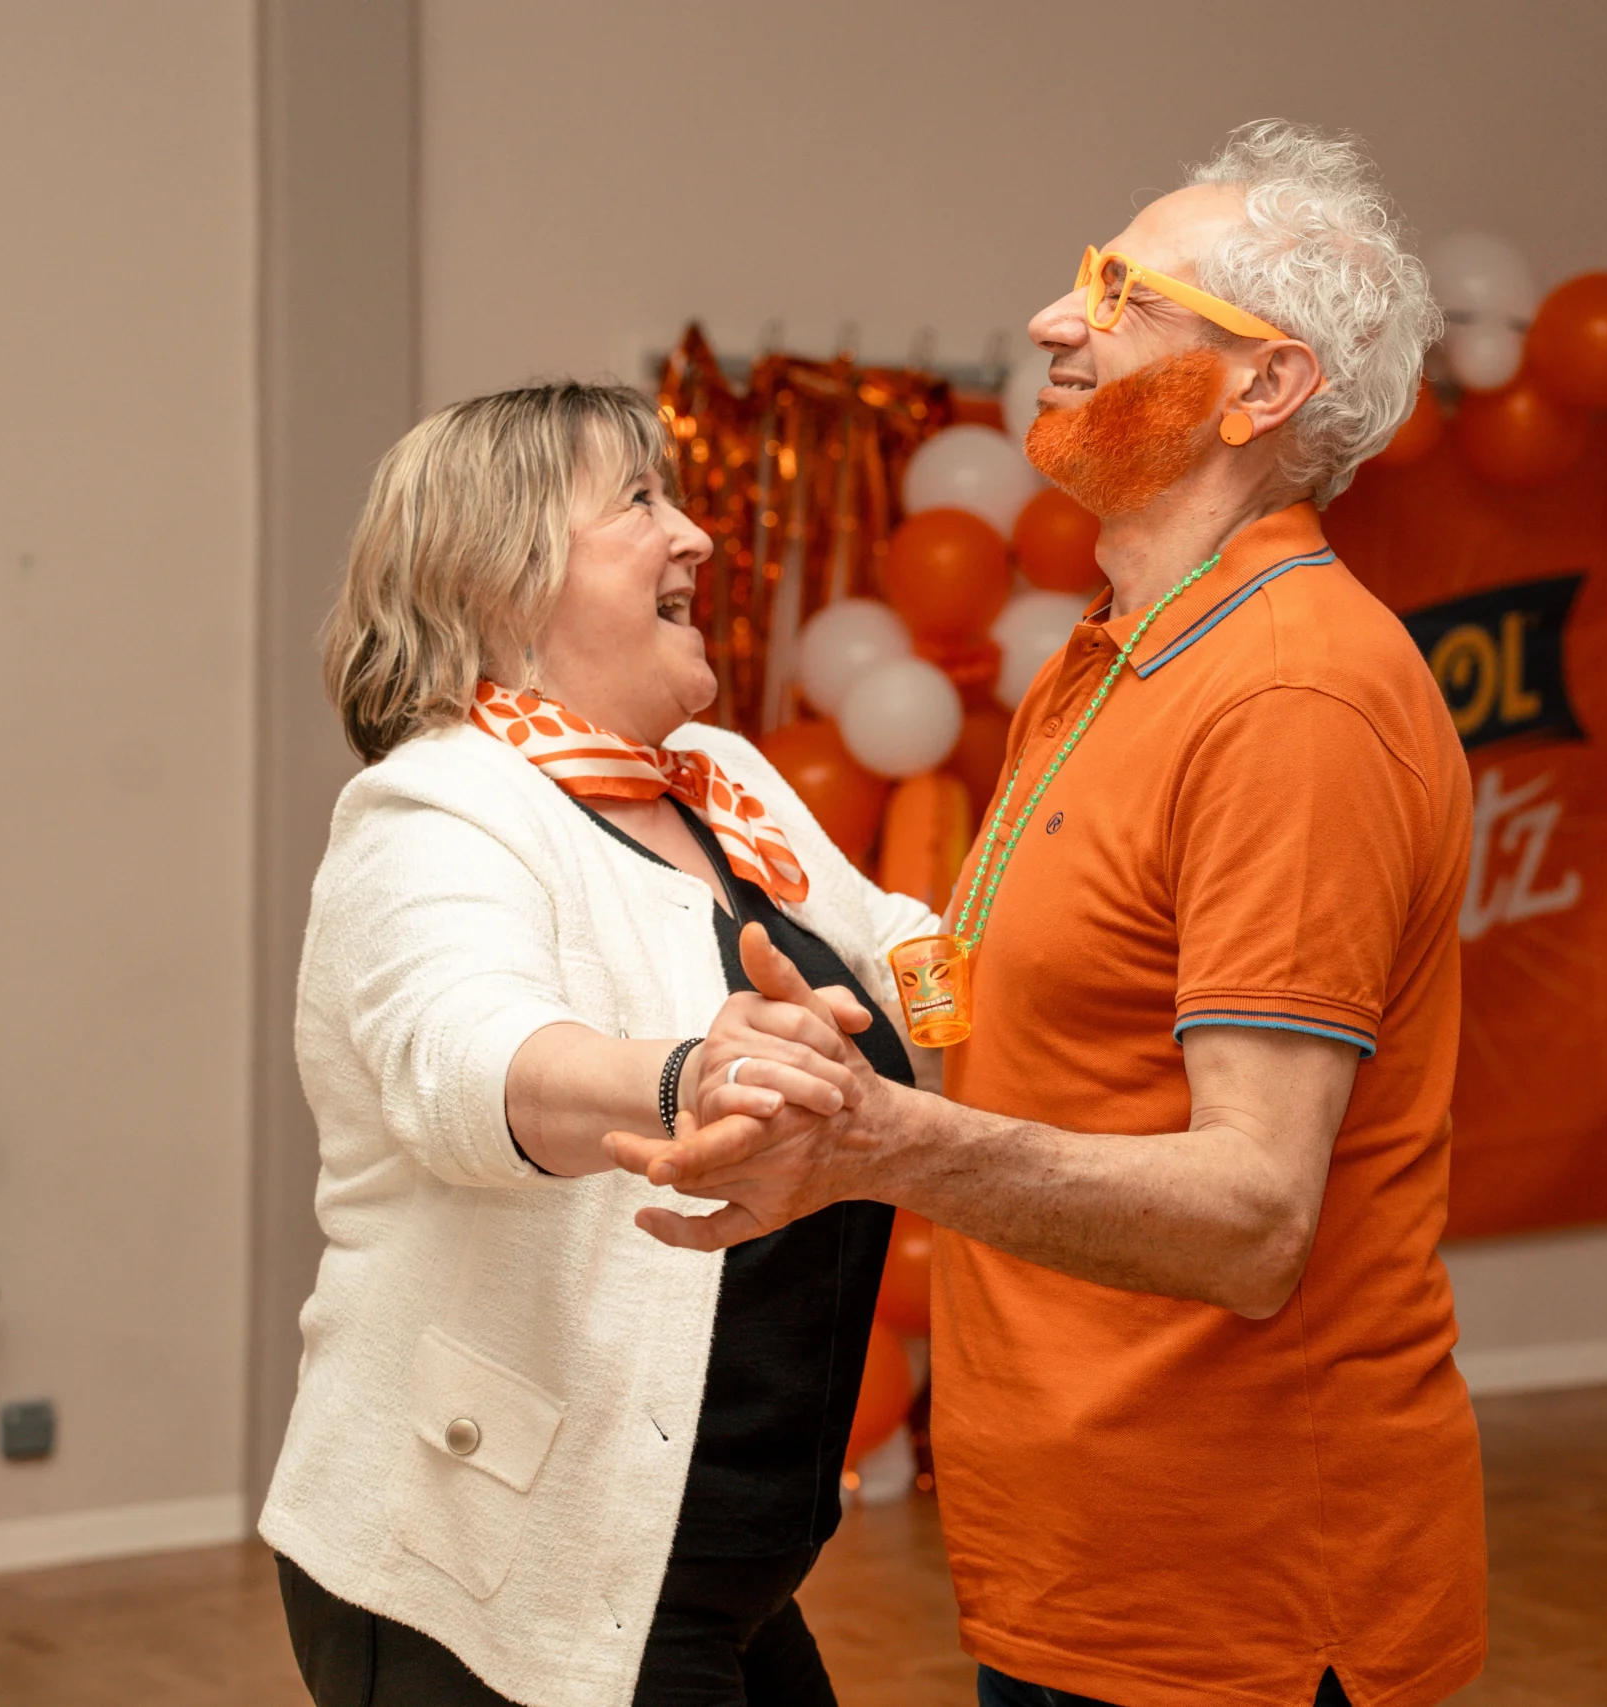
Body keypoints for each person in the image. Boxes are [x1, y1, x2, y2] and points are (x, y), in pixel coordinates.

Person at [612, 121, 1486, 1707]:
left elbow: (1253, 1218)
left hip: (1239, 1603)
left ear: (1263, 385)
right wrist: (841, 1047)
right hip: (1079, 1566)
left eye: (1121, 292)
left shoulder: (1292, 694)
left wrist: (885, 1144)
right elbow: (1052, 1046)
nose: (1053, 318)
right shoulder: (1111, 654)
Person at [259, 380, 940, 1707]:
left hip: (713, 1559)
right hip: (494, 1572)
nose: (696, 536)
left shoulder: (725, 779)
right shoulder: (434, 807)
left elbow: (906, 958)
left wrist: (1092, 942)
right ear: (500, 573)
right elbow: (466, 1063)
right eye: (637, 501)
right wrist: (687, 1075)